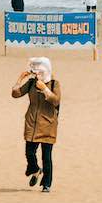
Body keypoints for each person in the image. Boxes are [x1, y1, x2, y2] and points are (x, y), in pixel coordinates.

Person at [12, 57, 61, 192]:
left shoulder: (54, 84)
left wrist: (45, 89)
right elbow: (15, 94)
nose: (37, 75)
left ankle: (46, 184)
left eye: (39, 72)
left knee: (46, 156)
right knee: (29, 152)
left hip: (48, 125)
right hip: (32, 123)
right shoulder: (31, 83)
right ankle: (35, 169)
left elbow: (56, 100)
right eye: (35, 73)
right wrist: (20, 79)